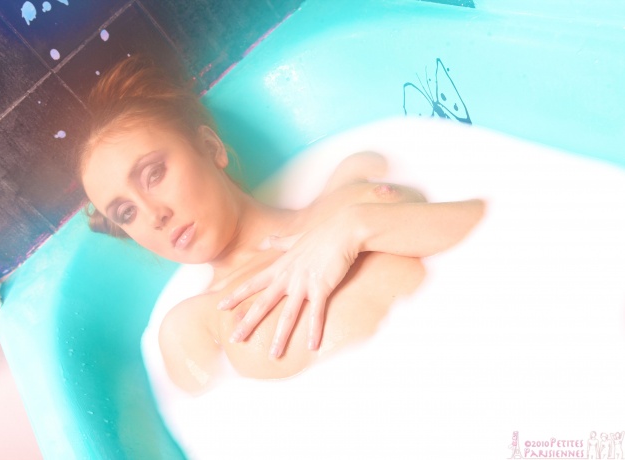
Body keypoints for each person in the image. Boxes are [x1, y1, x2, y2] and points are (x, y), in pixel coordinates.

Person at [79, 56, 485, 394]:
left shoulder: (353, 181)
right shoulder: (193, 324)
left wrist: (353, 229)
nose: (153, 215)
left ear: (210, 148)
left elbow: (489, 223)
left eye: (153, 174)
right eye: (126, 213)